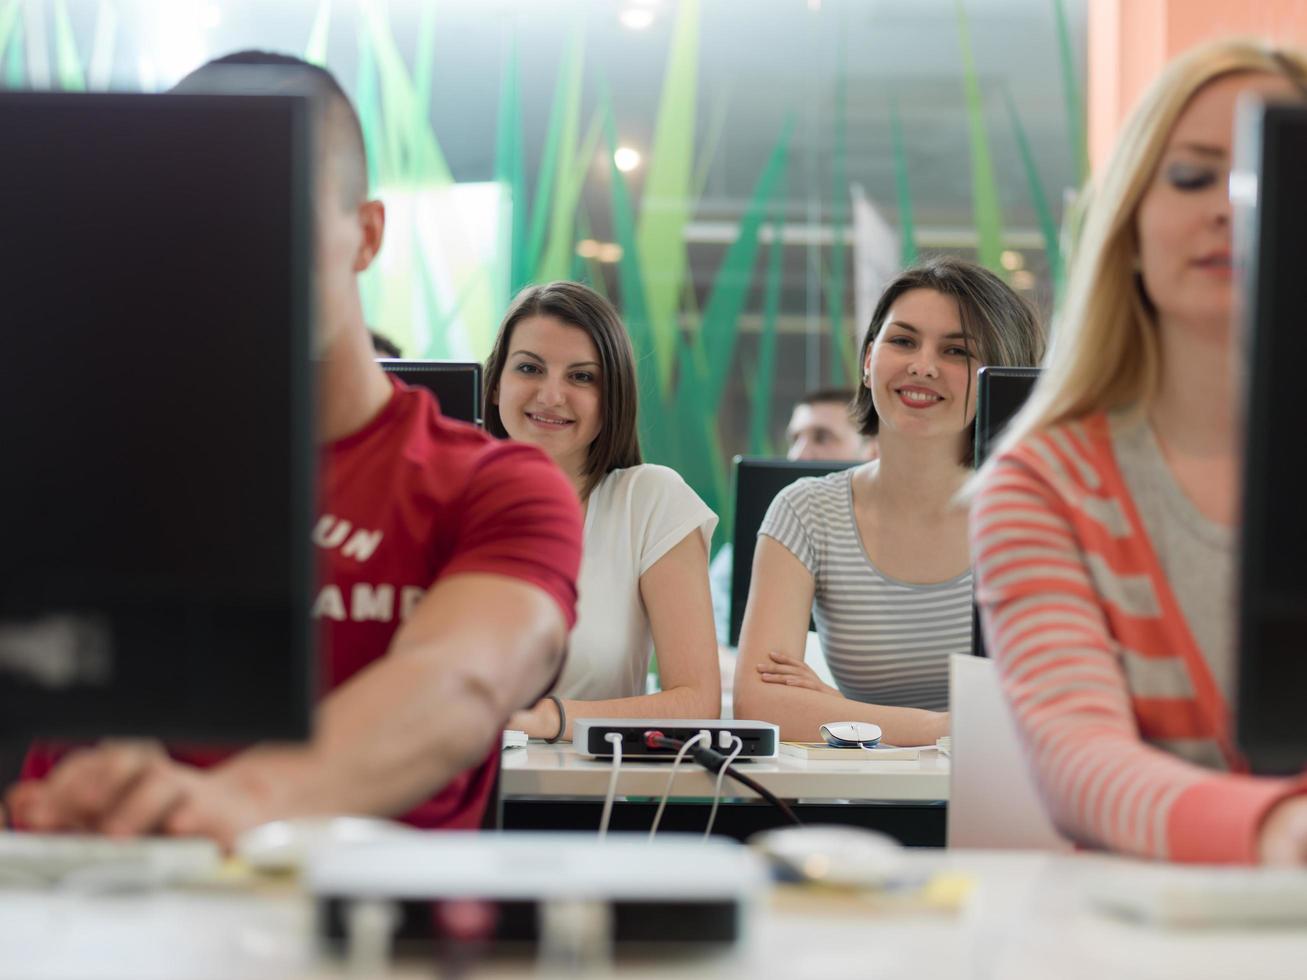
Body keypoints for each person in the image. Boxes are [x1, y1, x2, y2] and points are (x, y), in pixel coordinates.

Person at [4, 52, 583, 845]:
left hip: (355, 952)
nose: (219, 256)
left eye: (265, 210)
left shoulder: (489, 485)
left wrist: (237, 802)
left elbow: (461, 679)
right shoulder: (69, 472)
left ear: (366, 233)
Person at [970, 39, 1307, 865]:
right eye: (1190, 174)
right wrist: (1279, 834)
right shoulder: (1042, 484)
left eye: (1273, 175)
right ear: (1126, 226)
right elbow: (1081, 763)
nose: (1231, 204)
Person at [734, 257, 1044, 744]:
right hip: (865, 801)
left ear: (997, 374)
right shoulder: (807, 511)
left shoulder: (1033, 519)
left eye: (957, 351)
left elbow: (1043, 712)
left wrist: (845, 714)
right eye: (902, 340)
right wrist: (942, 727)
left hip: (1003, 806)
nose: (922, 365)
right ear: (867, 361)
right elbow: (759, 704)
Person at [483, 281, 720, 740]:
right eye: (530, 368)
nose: (551, 396)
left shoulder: (650, 500)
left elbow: (696, 702)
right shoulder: (445, 497)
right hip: (440, 793)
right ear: (495, 386)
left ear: (611, 398)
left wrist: (551, 719)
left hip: (588, 800)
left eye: (581, 376)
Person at [710, 389, 876, 645]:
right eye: (794, 439)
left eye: (822, 438)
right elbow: (707, 647)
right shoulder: (744, 553)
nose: (800, 454)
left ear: (872, 451)